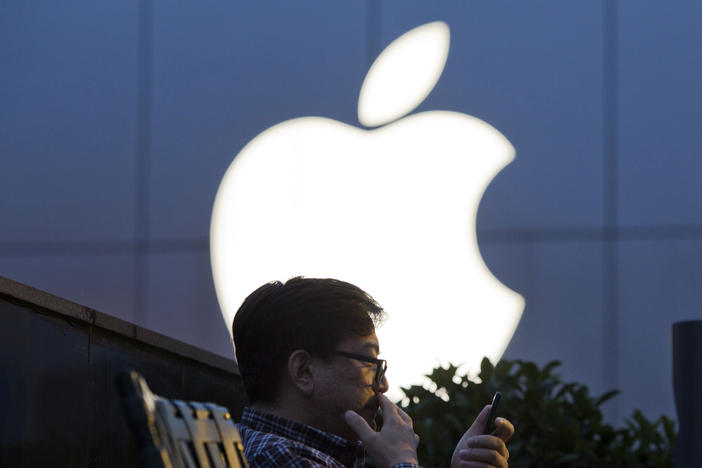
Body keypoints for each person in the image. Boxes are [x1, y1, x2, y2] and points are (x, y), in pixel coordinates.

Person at [233, 277, 514, 468]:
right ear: (304, 371)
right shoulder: (281, 457)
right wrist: (401, 460)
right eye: (370, 361)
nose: (383, 385)